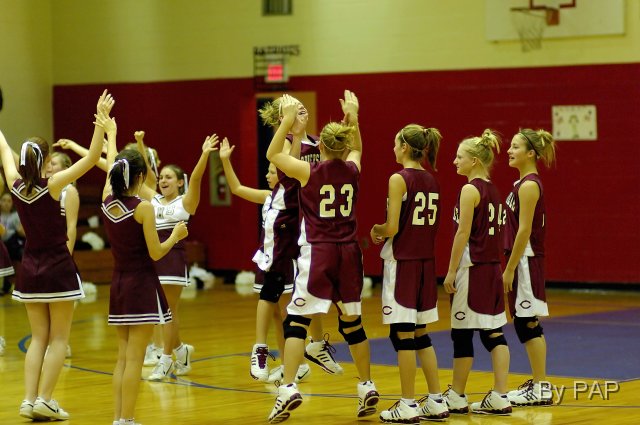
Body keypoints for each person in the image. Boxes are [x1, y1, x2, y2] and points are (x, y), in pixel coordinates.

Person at [266, 91, 378, 423]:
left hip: (319, 252)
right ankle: (366, 385)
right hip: (350, 253)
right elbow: (358, 148)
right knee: (353, 323)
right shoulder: (353, 169)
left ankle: (288, 387)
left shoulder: (308, 171)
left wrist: (287, 120)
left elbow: (273, 154)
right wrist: (354, 117)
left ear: (322, 147)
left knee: (296, 321)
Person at [0, 89, 110, 421]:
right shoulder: (54, 185)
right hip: (58, 267)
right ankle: (46, 399)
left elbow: (3, 148)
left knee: (38, 338)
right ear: (46, 161)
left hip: (30, 268)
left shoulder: (14, 184)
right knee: (59, 337)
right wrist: (100, 122)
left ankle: (28, 399)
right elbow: (93, 158)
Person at [100, 113, 188, 425]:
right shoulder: (143, 208)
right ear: (140, 177)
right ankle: (126, 419)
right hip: (141, 286)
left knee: (122, 357)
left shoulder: (107, 202)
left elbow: (111, 168)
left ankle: (118, 418)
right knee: (135, 359)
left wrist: (111, 134)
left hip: (118, 285)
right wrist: (175, 235)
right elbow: (156, 252)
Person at [255, 97, 343, 383]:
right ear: (282, 118)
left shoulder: (317, 143)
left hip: (308, 219)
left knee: (310, 283)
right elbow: (288, 172)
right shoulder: (284, 142)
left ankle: (315, 344)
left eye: (300, 105)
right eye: (291, 108)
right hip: (285, 218)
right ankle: (260, 348)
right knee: (272, 287)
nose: (298, 108)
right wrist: (292, 130)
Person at [370, 124, 449, 423]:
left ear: (404, 147)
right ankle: (436, 400)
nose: (392, 149)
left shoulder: (399, 178)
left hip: (403, 262)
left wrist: (376, 230)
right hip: (426, 264)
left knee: (403, 335)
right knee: (420, 334)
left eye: (395, 144)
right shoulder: (432, 179)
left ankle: (407, 403)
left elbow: (392, 228)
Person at [219, 137, 311, 384]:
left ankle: (286, 359)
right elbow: (237, 188)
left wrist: (294, 133)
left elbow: (291, 160)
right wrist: (225, 161)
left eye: (272, 171)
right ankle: (291, 363)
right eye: (268, 171)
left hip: (285, 258)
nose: (268, 175)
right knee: (276, 314)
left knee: (285, 313)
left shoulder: (293, 195)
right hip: (267, 257)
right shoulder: (267, 196)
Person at [134, 130, 219, 381]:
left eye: (169, 177)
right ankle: (181, 350)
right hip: (154, 258)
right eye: (161, 177)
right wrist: (140, 144)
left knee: (168, 312)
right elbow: (144, 174)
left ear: (180, 182)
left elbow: (197, 177)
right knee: (162, 313)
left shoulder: (185, 202)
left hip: (173, 259)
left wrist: (204, 154)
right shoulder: (153, 199)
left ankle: (166, 360)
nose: (163, 180)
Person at [442, 129, 512, 415]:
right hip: (492, 269)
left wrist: (450, 271)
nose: (454, 161)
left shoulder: (470, 190)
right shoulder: (494, 190)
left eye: (459, 157)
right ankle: (500, 394)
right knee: (494, 333)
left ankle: (457, 395)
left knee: (462, 335)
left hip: (472, 269)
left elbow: (463, 233)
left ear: (474, 161)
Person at [502, 129, 557, 407]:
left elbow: (524, 231)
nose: (509, 151)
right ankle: (538, 384)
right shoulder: (521, 183)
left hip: (526, 259)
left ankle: (540, 386)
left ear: (531, 153)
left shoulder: (529, 186)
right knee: (524, 322)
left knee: (528, 322)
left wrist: (510, 269)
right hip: (521, 259)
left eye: (515, 147)